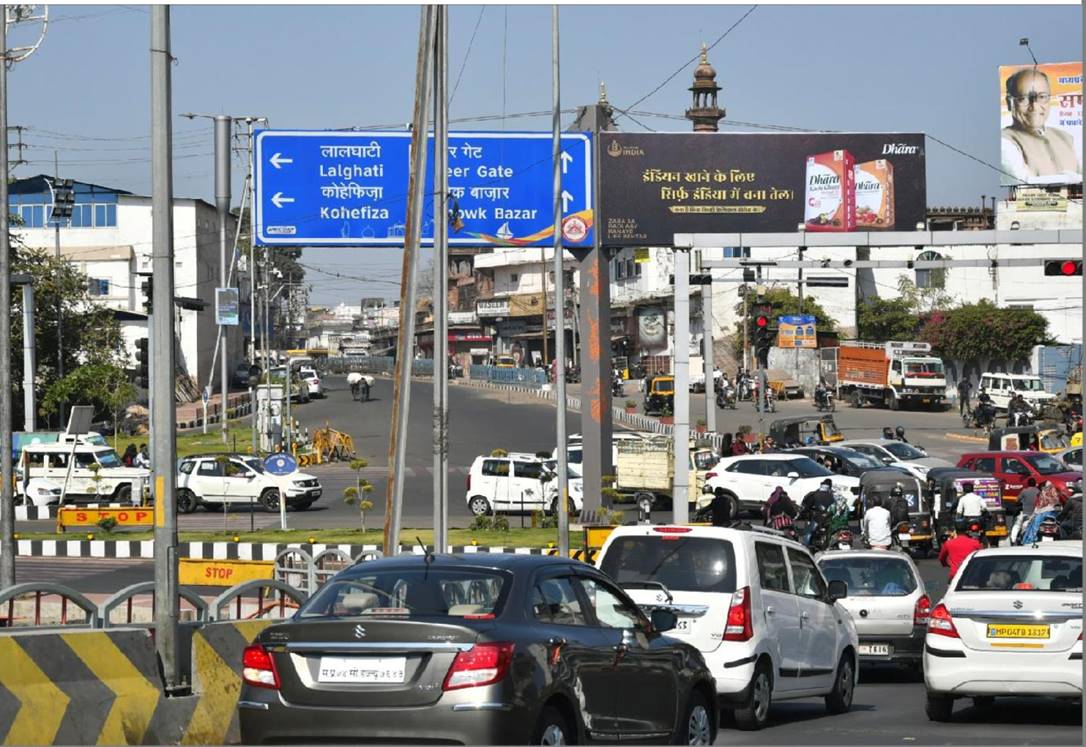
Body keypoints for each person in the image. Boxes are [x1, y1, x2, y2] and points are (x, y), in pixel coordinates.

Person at [1001, 68, 1082, 184]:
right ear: (1010, 103)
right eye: (1023, 98)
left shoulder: (1067, 138)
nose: (1034, 106)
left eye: (1042, 97)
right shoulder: (1004, 140)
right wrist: (1069, 179)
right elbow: (1021, 181)